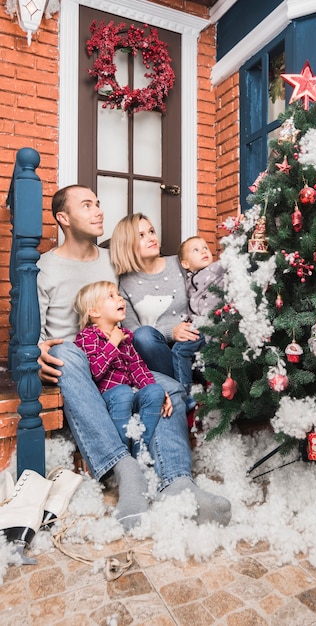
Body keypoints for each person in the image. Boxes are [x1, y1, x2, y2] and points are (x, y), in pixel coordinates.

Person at [37, 185, 231, 531]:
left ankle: (177, 483)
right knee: (67, 352)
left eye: (98, 203)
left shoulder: (111, 264)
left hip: (118, 362)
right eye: (87, 205)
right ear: (63, 218)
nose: (99, 211)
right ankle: (125, 470)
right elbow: (32, 336)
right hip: (79, 363)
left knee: (168, 386)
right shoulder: (44, 268)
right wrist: (36, 353)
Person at [110, 213, 204, 411]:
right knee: (143, 335)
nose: (151, 237)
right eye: (141, 235)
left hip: (194, 350)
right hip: (160, 359)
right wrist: (171, 331)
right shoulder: (125, 283)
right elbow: (133, 333)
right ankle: (180, 392)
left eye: (151, 231)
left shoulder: (179, 263)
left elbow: (203, 292)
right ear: (127, 244)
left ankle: (195, 387)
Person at [73, 280, 172, 456]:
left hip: (130, 394)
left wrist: (156, 391)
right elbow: (96, 372)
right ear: (94, 312)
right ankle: (121, 455)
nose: (120, 299)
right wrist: (113, 342)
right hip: (108, 398)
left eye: (118, 295)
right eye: (111, 297)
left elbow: (138, 368)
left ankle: (141, 450)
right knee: (122, 392)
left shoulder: (125, 336)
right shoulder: (87, 337)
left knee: (155, 390)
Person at [175, 236, 226, 405]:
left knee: (179, 350)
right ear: (185, 264)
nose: (203, 251)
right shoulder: (188, 280)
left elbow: (230, 262)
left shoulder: (215, 269)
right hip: (201, 328)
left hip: (213, 326)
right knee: (185, 353)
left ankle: (185, 393)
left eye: (205, 247)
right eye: (195, 250)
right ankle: (194, 391)